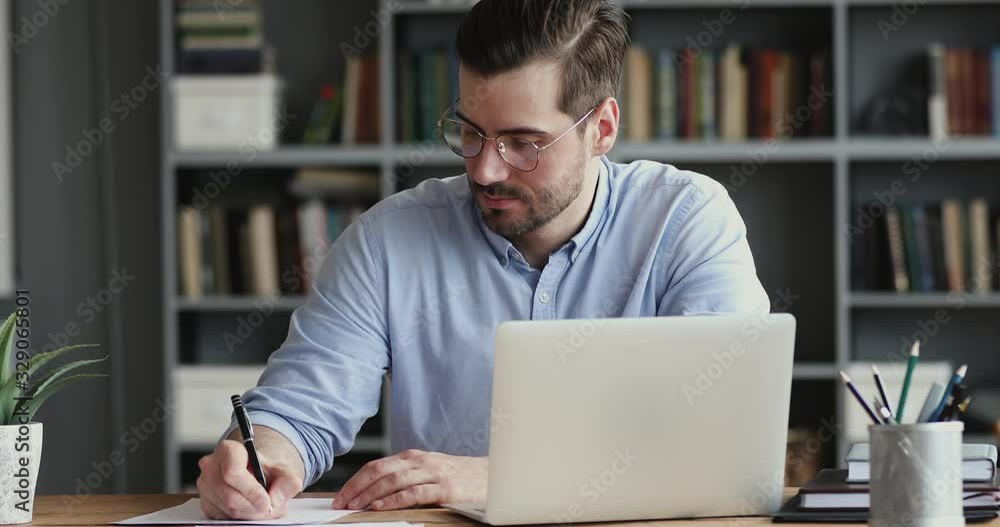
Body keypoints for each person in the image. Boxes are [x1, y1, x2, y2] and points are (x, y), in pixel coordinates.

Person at [196, 0, 769, 519]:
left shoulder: (687, 221)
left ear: (602, 128)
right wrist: (262, 457)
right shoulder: (388, 241)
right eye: (470, 132)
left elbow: (719, 442)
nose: (485, 170)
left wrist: (490, 476)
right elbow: (299, 410)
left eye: (524, 143)